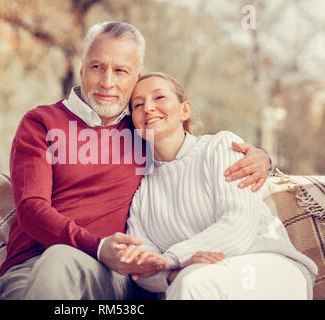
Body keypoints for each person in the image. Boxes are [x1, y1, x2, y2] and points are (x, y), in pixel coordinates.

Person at [0, 21, 272, 300]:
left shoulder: (141, 129)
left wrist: (262, 157)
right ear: (82, 69)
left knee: (60, 260)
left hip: (109, 274)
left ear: (135, 78)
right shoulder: (41, 122)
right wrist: (99, 245)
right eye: (97, 67)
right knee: (56, 261)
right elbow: (31, 209)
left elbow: (189, 146)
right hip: (31, 265)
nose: (107, 82)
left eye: (120, 71)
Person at [118, 72, 318, 299]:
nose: (148, 108)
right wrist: (170, 274)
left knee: (192, 283)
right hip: (196, 277)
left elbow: (238, 226)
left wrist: (172, 259)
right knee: (189, 281)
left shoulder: (220, 147)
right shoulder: (142, 191)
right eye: (138, 104)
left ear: (185, 110)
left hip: (270, 269)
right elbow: (141, 261)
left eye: (159, 97)